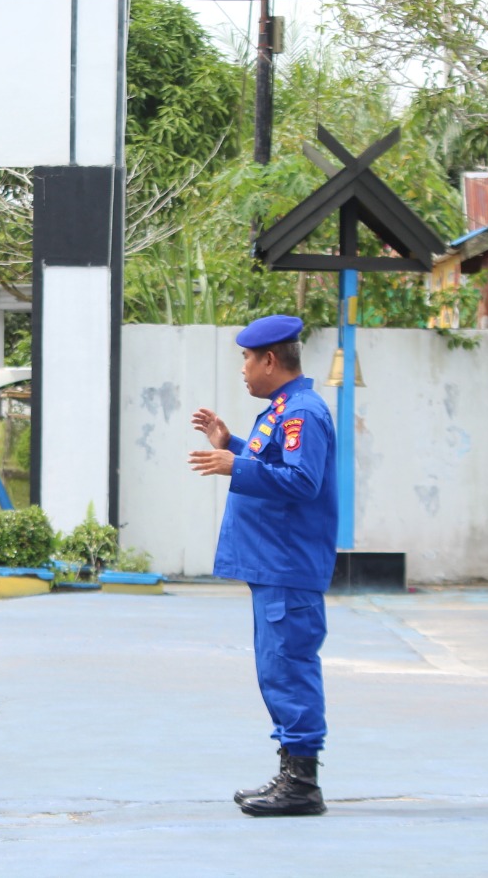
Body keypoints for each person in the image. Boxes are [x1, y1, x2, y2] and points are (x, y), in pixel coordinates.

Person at [188, 314, 336, 817]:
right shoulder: (280, 411)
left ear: (270, 360)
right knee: (276, 668)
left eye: (247, 360)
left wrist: (237, 466)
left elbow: (301, 480)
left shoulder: (302, 413)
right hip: (273, 564)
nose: (244, 370)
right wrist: (230, 444)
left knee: (289, 667)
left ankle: (302, 784)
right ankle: (291, 772)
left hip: (287, 563)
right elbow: (270, 463)